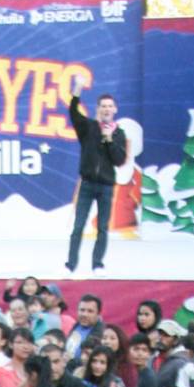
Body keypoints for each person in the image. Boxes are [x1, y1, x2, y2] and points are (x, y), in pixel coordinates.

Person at [65, 89, 127, 273]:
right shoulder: (88, 127)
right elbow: (73, 113)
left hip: (106, 186)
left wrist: (109, 141)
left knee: (102, 227)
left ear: (115, 109)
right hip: (87, 184)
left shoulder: (118, 133)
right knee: (78, 226)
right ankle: (71, 264)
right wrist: (76, 91)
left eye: (110, 106)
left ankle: (97, 263)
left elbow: (119, 160)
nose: (106, 109)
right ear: (98, 109)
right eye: (103, 106)